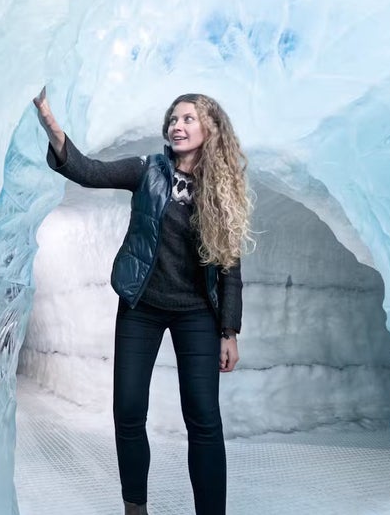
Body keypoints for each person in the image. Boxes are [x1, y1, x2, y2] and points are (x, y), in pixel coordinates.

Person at [32, 87, 252, 515]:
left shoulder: (222, 189)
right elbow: (89, 172)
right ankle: (136, 508)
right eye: (174, 118)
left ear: (209, 128)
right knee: (129, 409)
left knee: (203, 417)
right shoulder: (148, 170)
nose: (177, 125)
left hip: (197, 314)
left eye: (188, 118)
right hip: (142, 306)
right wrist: (51, 125)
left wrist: (230, 330)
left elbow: (230, 265)